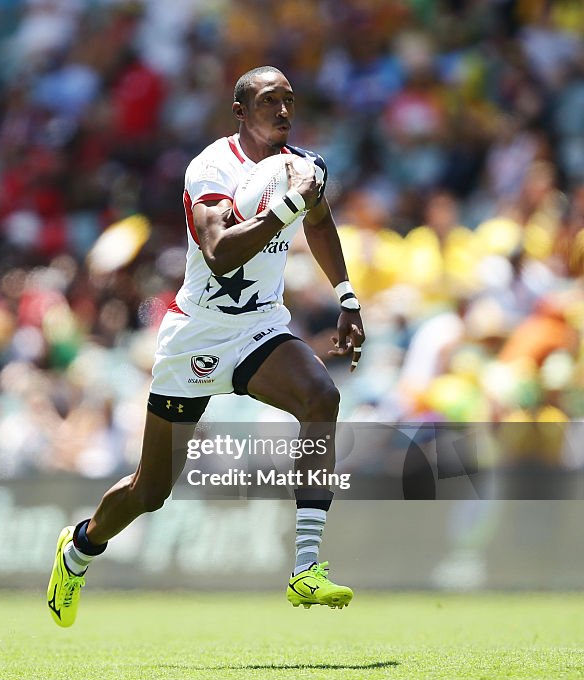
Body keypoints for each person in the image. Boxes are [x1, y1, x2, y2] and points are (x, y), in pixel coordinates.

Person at [47, 66, 365, 627]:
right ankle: (78, 548)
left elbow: (319, 222)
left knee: (321, 397)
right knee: (150, 491)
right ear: (241, 110)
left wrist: (346, 296)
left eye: (290, 100)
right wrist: (288, 207)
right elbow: (219, 252)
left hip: (258, 327)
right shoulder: (210, 167)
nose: (285, 110)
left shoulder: (303, 167)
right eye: (271, 100)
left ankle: (306, 566)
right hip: (195, 332)